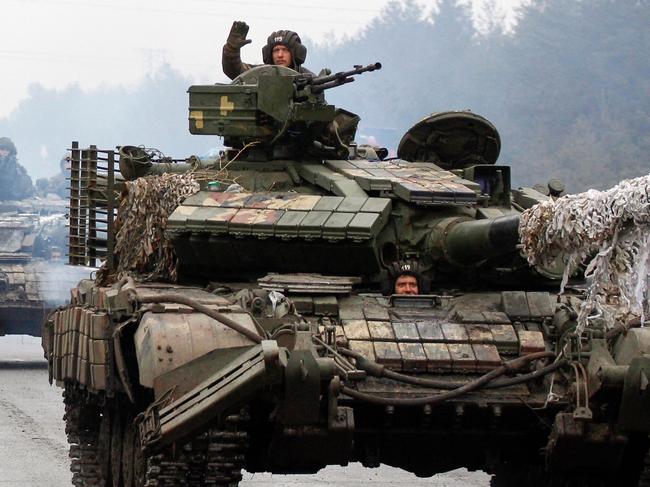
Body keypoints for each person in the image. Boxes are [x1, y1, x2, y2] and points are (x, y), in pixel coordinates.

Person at [222, 21, 311, 80]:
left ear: (295, 53)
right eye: (276, 50)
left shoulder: (309, 78)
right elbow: (235, 71)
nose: (280, 55)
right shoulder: (260, 73)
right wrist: (232, 49)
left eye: (285, 50)